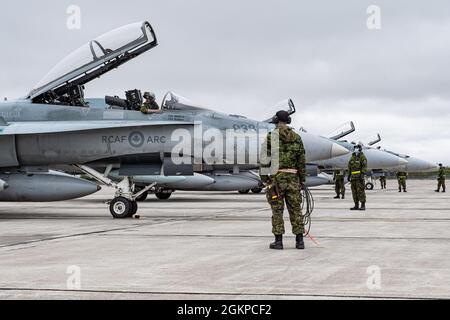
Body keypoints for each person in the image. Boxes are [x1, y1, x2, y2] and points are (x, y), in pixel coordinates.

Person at [260, 110, 306, 250]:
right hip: (293, 179)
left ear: (275, 119)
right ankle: (300, 241)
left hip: (276, 180)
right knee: (296, 210)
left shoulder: (271, 137)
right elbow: (301, 161)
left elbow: (264, 160)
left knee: (277, 211)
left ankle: (278, 242)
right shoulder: (297, 137)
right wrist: (301, 180)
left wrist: (265, 179)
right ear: (288, 120)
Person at [348, 145, 368, 211]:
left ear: (360, 149)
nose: (355, 149)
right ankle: (356, 205)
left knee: (361, 191)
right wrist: (348, 175)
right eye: (355, 148)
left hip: (359, 177)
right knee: (354, 192)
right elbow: (349, 167)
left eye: (357, 148)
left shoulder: (362, 157)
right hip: (353, 178)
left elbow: (364, 166)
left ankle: (363, 205)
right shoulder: (352, 157)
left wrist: (362, 174)